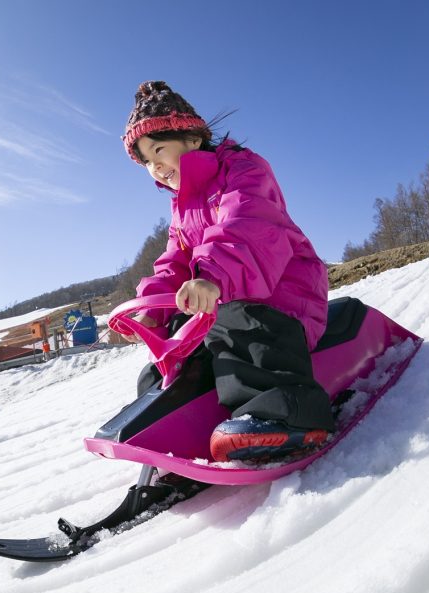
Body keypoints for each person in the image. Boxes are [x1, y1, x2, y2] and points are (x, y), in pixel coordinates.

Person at [121, 80, 334, 462]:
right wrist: (152, 308)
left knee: (235, 321)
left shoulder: (244, 169)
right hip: (221, 305)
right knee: (176, 351)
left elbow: (248, 226)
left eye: (159, 151)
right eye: (146, 161)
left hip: (282, 296)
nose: (155, 167)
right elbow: (175, 260)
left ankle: (287, 412)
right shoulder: (182, 208)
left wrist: (211, 277)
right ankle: (173, 435)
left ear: (192, 137)